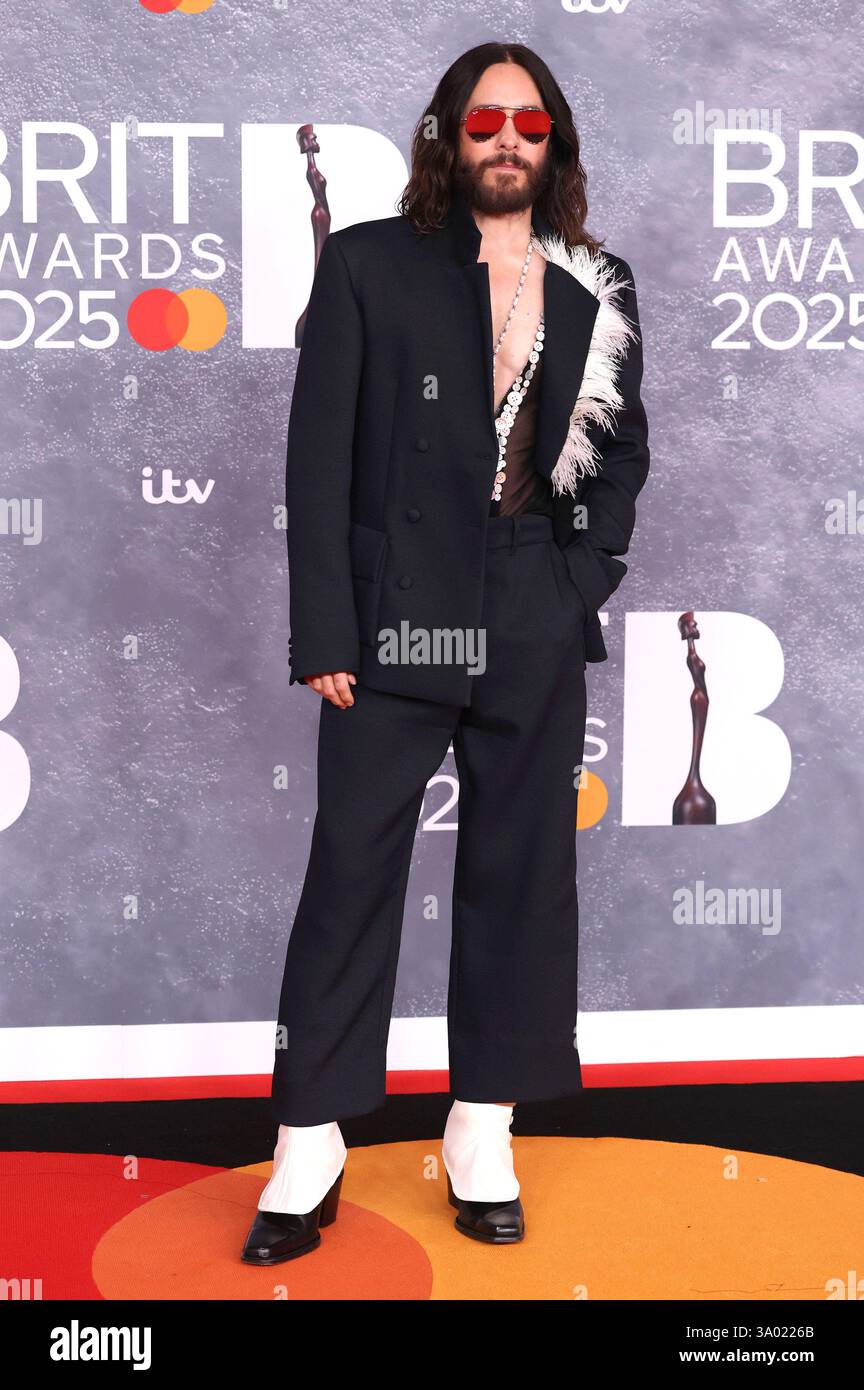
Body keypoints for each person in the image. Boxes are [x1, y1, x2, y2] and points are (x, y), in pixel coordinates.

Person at [241, 40, 650, 1264]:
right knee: (351, 871)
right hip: (393, 617)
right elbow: (318, 465)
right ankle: (306, 1143)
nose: (507, 137)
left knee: (525, 878)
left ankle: (484, 1129)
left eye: (529, 120)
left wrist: (580, 574)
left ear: (555, 139)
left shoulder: (598, 280)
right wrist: (325, 627)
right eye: (486, 119)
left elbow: (619, 456)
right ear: (447, 134)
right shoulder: (369, 262)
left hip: (529, 603)